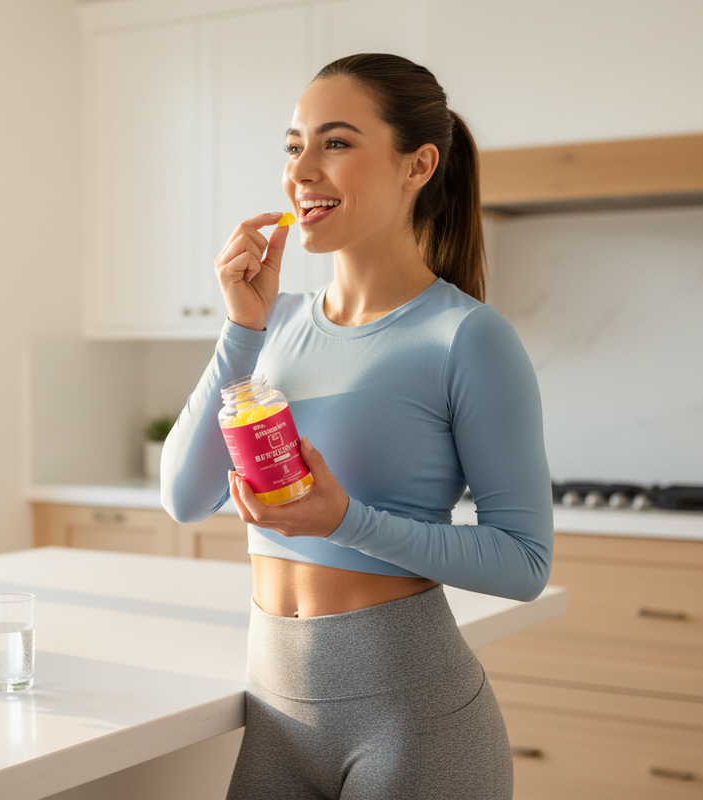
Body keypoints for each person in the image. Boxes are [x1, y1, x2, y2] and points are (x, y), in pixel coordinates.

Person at [161, 53, 553, 800]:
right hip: (275, 716)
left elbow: (523, 562)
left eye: (336, 142)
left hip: (415, 725)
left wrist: (345, 522)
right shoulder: (270, 324)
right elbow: (184, 497)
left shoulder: (466, 337)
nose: (301, 170)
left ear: (418, 165)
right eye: (294, 145)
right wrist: (241, 330)